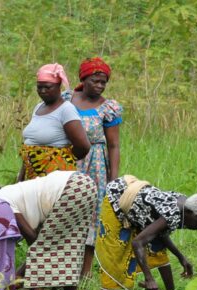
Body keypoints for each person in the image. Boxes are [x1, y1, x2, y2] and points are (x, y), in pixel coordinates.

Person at [96, 175, 197, 290]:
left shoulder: (185, 205)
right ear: (189, 212)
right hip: (117, 197)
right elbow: (138, 242)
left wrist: (181, 258)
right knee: (114, 252)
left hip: (138, 207)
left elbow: (162, 234)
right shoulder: (174, 213)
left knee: (158, 249)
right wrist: (149, 278)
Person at [0, 171, 97, 290]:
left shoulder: (1, 200)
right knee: (70, 249)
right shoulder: (16, 195)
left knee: (39, 256)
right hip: (86, 185)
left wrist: (17, 277)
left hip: (70, 188)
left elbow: (33, 240)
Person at [62, 57, 123, 278]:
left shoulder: (108, 108)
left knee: (91, 214)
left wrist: (113, 179)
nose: (99, 86)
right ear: (84, 79)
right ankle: (65, 265)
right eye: (95, 81)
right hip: (68, 161)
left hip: (95, 164)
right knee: (67, 210)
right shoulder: (67, 100)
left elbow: (114, 145)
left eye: (103, 82)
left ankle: (85, 272)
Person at [18, 63, 91, 182]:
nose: (42, 91)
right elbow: (30, 144)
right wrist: (21, 178)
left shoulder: (66, 109)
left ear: (58, 86)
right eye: (39, 87)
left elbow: (83, 146)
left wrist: (60, 159)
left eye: (47, 87)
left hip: (54, 179)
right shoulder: (38, 107)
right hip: (32, 176)